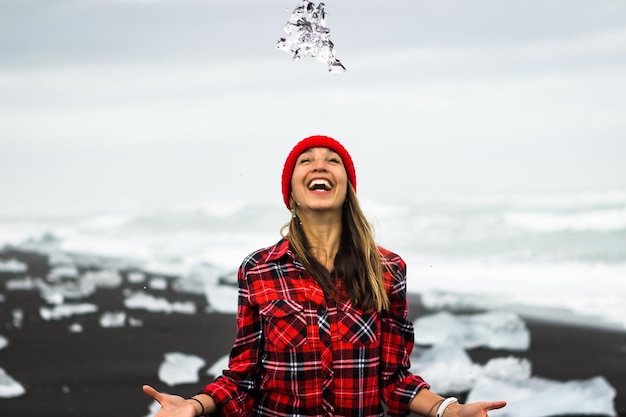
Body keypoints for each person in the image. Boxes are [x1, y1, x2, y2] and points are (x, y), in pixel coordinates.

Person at [142, 135, 506, 417]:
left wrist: (450, 409)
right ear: (291, 192)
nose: (320, 165)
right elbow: (244, 379)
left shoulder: (388, 270)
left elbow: (394, 382)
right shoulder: (259, 270)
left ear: (347, 188)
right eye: (307, 161)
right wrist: (193, 405)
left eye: (333, 161)